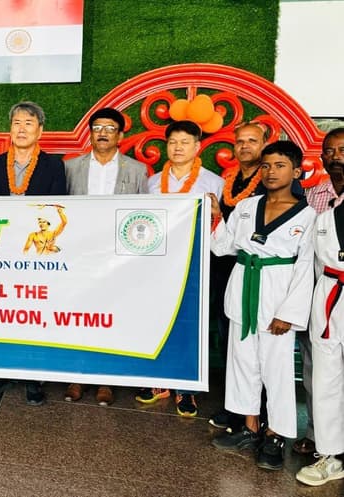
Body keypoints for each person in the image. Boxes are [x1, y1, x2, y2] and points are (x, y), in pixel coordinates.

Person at [209, 141, 315, 471]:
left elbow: (305, 266)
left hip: (277, 295)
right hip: (243, 288)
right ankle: (250, 427)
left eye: (280, 165)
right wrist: (216, 218)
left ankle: (275, 435)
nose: (271, 172)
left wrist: (289, 313)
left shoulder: (308, 215)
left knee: (276, 370)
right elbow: (223, 247)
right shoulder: (246, 206)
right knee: (242, 363)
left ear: (295, 172)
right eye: (266, 165)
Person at [0, 101, 66, 406]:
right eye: (17, 123)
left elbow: (57, 208)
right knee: (1, 312)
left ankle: (33, 375)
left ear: (40, 131)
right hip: (1, 254)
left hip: (37, 255)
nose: (21, 129)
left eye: (28, 123)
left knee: (33, 313)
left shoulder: (54, 166)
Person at [137, 119, 224, 417]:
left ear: (197, 147)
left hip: (194, 265)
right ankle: (159, 382)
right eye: (173, 142)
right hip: (157, 264)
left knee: (189, 324)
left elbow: (219, 226)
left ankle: (187, 389)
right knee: (156, 321)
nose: (178, 148)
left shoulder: (213, 183)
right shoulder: (152, 183)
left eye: (185, 142)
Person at [63, 107, 148, 405]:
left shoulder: (136, 170)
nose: (103, 133)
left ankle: (106, 380)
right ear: (90, 133)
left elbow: (143, 215)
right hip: (79, 254)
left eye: (110, 128)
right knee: (77, 314)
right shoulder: (70, 167)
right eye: (97, 127)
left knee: (111, 316)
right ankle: (76, 376)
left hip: (116, 256)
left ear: (120, 135)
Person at [208, 121, 269, 432]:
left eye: (252, 141)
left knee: (256, 347)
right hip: (224, 268)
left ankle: (261, 413)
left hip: (257, 271)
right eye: (240, 141)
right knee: (230, 341)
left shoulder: (270, 180)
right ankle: (236, 407)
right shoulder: (229, 180)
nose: (245, 146)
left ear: (264, 144)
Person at [296, 132, 344, 485]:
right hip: (326, 293)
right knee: (325, 377)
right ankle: (330, 454)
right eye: (330, 151)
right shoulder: (315, 199)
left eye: (343, 150)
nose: (336, 156)